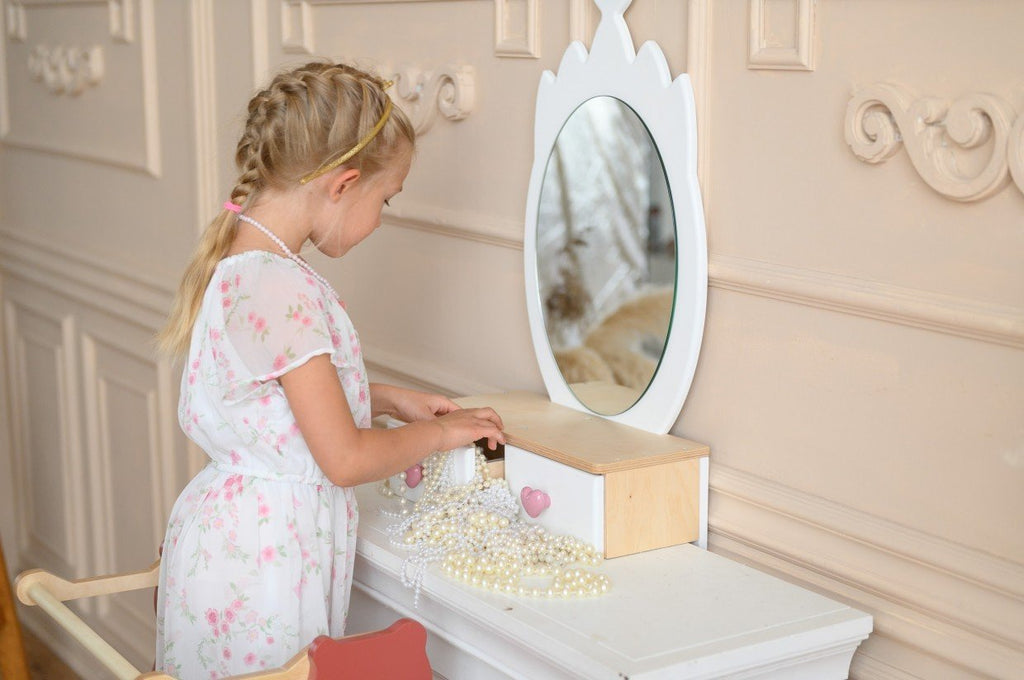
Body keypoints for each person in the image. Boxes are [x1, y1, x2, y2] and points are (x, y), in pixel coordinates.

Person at [153, 60, 505, 678]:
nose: (382, 217)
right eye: (385, 199)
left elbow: (274, 400)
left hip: (230, 544)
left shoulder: (243, 261)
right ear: (343, 184)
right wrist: (442, 434)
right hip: (264, 568)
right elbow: (344, 459)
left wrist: (389, 399)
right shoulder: (281, 287)